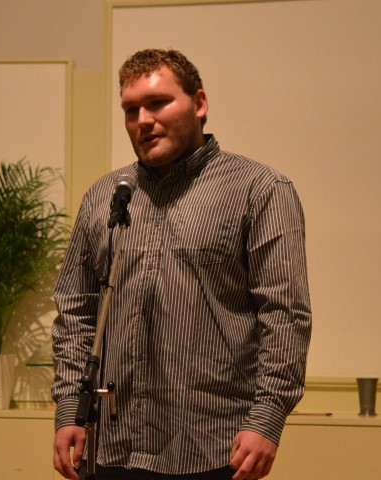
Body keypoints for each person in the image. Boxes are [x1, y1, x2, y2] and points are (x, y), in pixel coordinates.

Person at [52, 49, 311, 480]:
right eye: (131, 109)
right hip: (111, 447)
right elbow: (76, 311)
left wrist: (267, 417)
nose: (143, 120)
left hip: (214, 447)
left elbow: (285, 315)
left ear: (199, 103)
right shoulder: (105, 196)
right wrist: (69, 409)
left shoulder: (260, 190)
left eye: (158, 103)